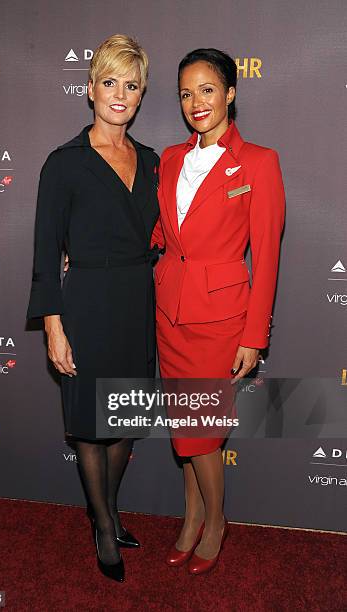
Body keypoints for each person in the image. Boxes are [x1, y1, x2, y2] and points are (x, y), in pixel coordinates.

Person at [26, 34, 159, 583]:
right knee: (88, 421)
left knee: (124, 415)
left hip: (136, 300)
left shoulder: (152, 161)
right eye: (110, 83)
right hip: (84, 300)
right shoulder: (65, 163)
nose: (120, 95)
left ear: (141, 94)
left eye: (131, 85)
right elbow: (43, 251)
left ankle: (109, 508)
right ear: (90, 89)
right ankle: (103, 525)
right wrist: (53, 328)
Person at [151, 48, 285, 575]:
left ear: (230, 92)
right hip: (170, 313)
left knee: (200, 431)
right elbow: (163, 234)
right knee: (188, 430)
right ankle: (190, 519)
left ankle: (218, 521)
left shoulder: (258, 162)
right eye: (186, 93)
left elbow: (268, 258)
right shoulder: (170, 159)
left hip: (221, 320)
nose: (196, 102)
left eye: (207, 89)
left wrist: (255, 334)